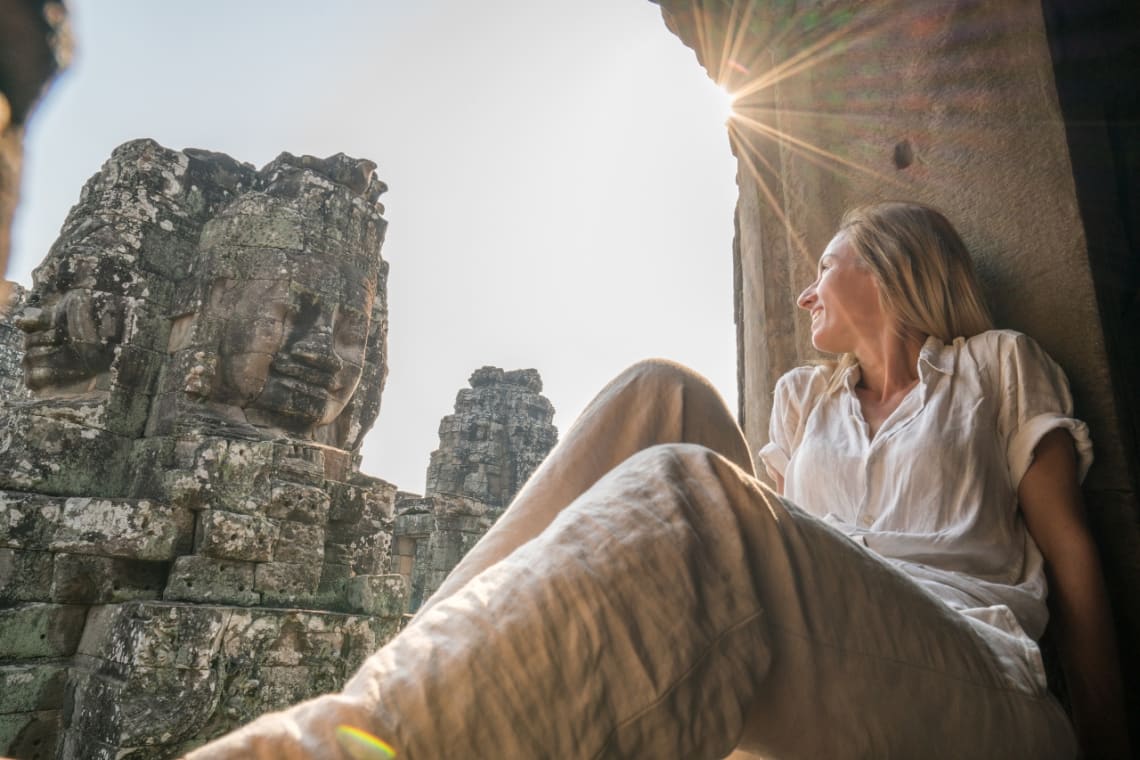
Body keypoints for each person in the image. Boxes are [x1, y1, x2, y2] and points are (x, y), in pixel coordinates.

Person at [185, 202, 1129, 759]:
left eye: (826, 268)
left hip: (972, 668)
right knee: (659, 393)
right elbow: (776, 529)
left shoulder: (999, 366)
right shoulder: (805, 401)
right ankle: (382, 700)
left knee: (699, 500)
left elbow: (1073, 557)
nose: (806, 293)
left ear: (889, 266)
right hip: (825, 627)